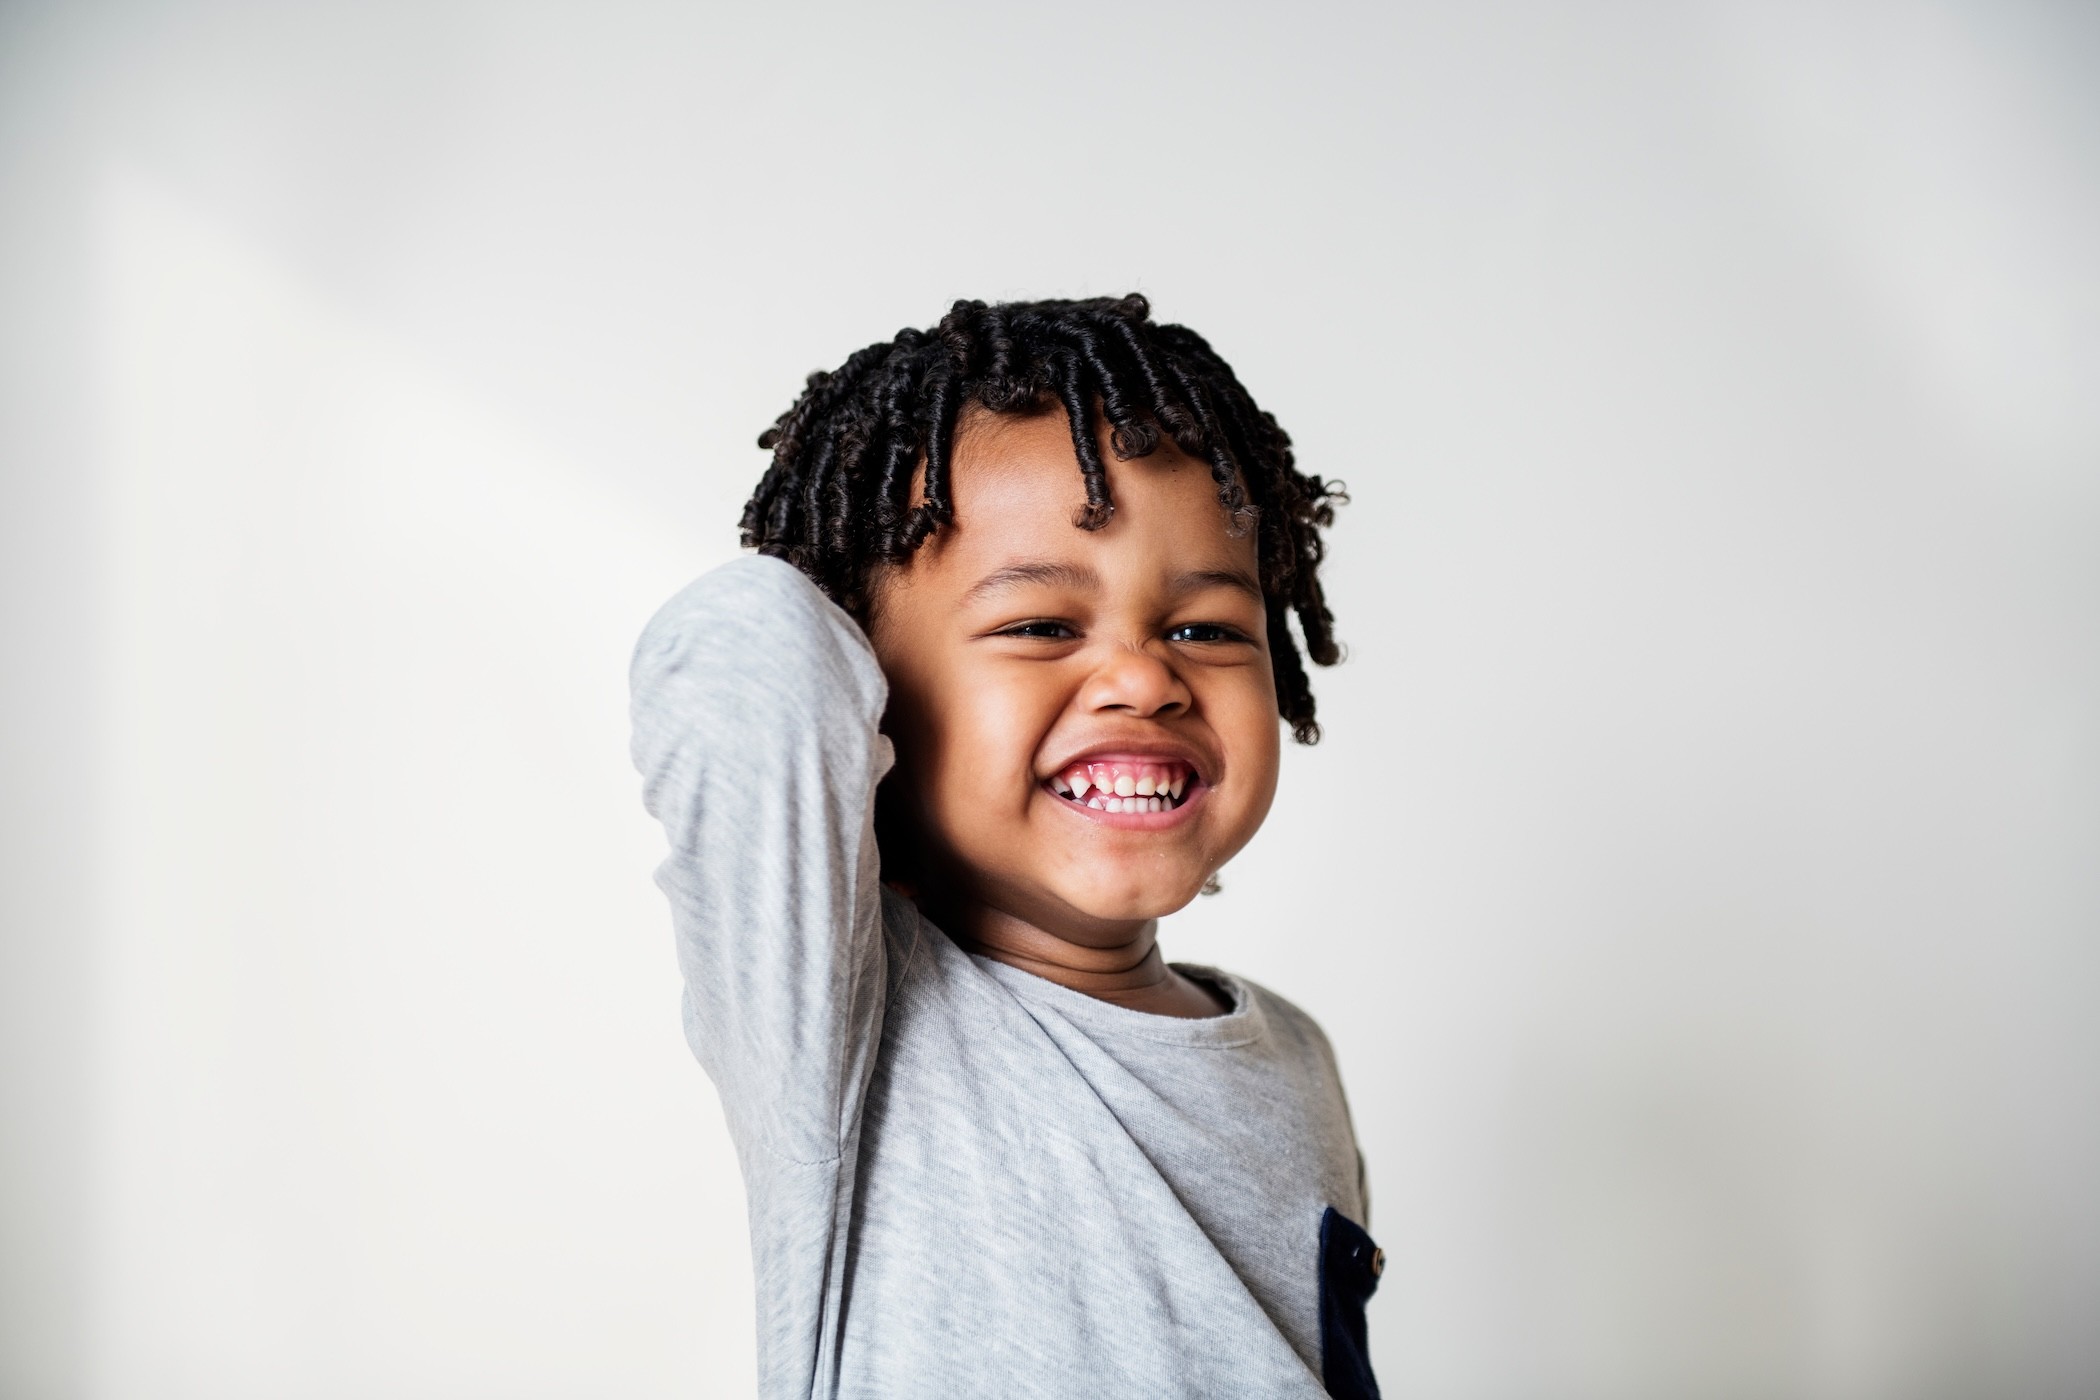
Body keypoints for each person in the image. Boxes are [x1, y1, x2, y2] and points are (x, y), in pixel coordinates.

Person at [630, 295, 1381, 1399]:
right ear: (871, 700)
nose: (1144, 677)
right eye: (1040, 626)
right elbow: (750, 646)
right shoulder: (841, 1024)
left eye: (1206, 628)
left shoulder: (1298, 1058)